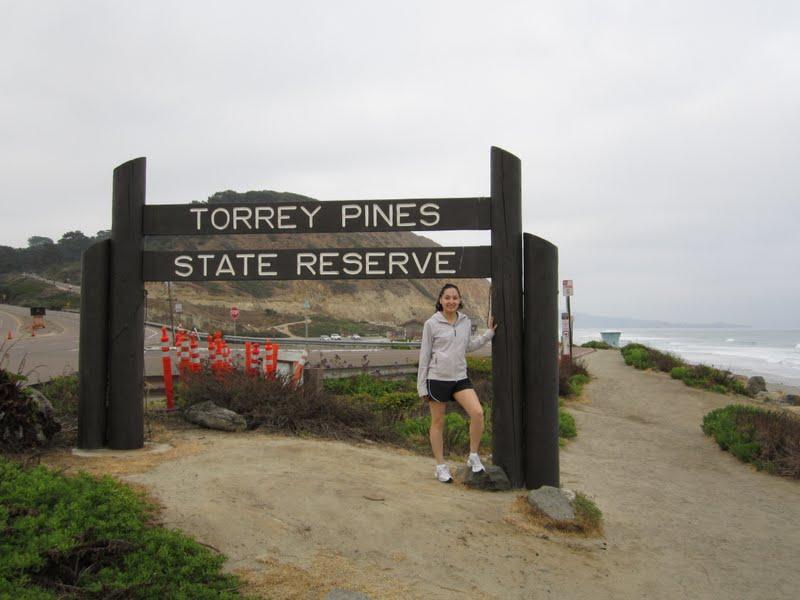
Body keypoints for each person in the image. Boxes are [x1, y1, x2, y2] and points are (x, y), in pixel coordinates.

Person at [417, 283, 497, 483]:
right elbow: (424, 355)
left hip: (460, 377)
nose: (451, 301)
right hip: (437, 378)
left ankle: (473, 456)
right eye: (447, 298)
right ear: (440, 300)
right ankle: (440, 466)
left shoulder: (465, 321)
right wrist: (421, 386)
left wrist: (488, 335)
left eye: (455, 298)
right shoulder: (431, 324)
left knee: (477, 413)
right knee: (438, 422)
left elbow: (467, 346)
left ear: (459, 300)